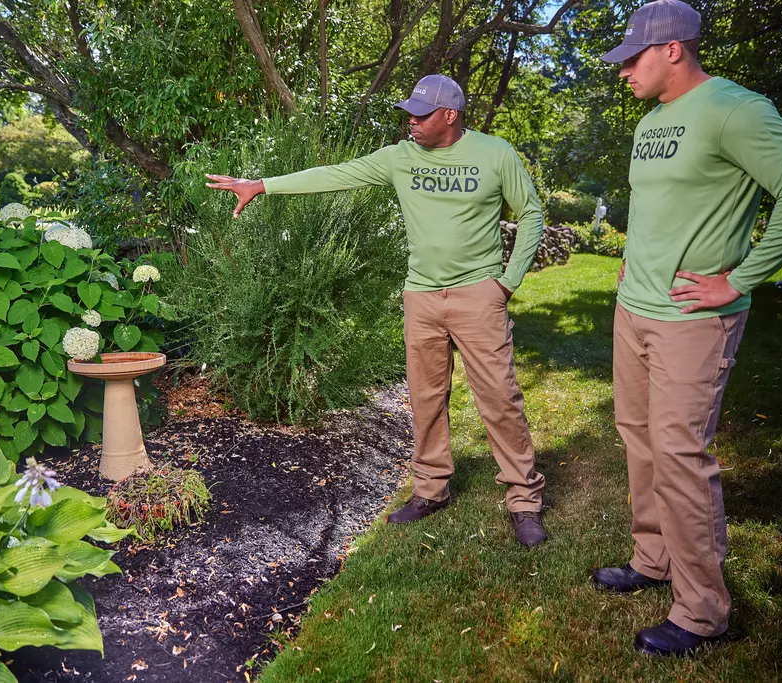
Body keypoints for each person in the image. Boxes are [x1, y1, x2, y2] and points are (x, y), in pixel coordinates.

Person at [205, 75, 548, 546]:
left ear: (450, 115)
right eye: (410, 113)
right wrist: (262, 185)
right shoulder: (400, 157)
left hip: (478, 294)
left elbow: (531, 212)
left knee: (499, 398)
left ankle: (524, 500)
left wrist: (507, 282)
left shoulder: (495, 154)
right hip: (421, 296)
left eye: (422, 114)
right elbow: (336, 174)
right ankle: (431, 488)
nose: (412, 121)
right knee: (426, 398)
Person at [592, 0, 782, 657]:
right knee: (638, 437)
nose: (623, 72)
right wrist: (633, 257)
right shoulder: (651, 122)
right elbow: (659, 203)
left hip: (692, 318)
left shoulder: (734, 109)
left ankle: (702, 611)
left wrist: (741, 277)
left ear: (673, 49)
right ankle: (653, 557)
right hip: (635, 307)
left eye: (632, 58)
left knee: (680, 455)